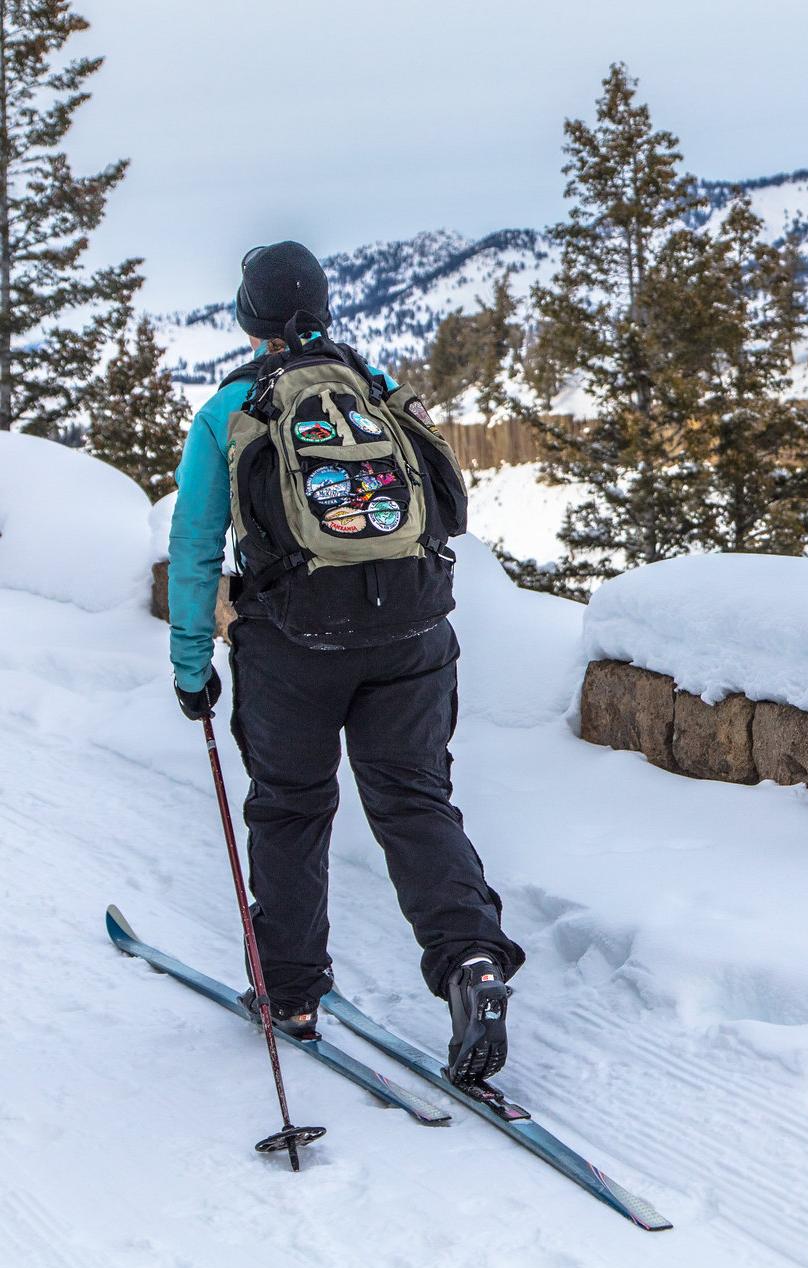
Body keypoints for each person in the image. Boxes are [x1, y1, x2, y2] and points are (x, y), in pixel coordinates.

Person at [167, 241, 523, 1083]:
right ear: (324, 307)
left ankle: (289, 993)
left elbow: (193, 549)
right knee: (413, 799)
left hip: (293, 643)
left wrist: (191, 667)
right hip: (413, 632)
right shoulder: (376, 390)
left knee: (291, 808)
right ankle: (472, 961)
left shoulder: (230, 408)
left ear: (249, 319)